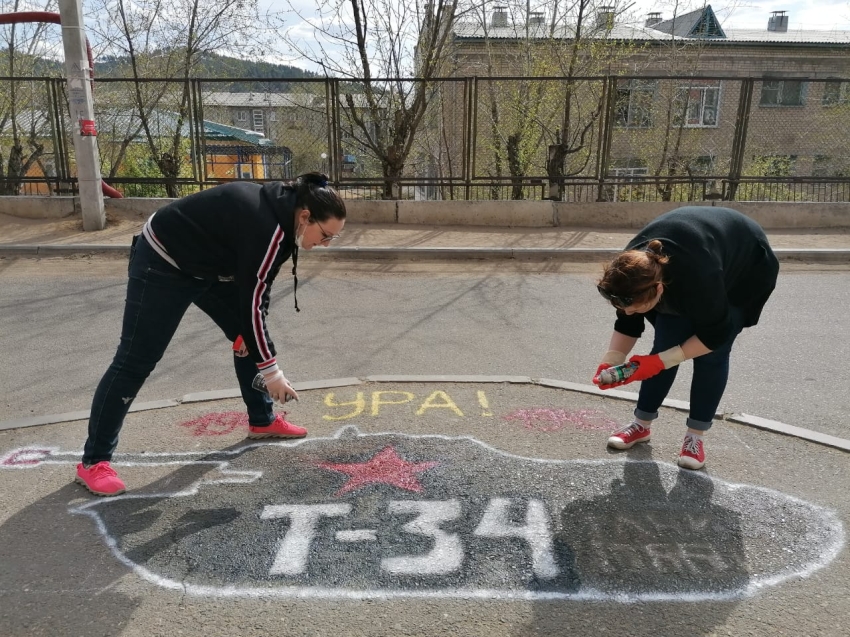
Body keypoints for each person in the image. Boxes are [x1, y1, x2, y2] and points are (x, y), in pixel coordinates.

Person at [75, 173, 346, 496]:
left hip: (208, 265)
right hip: (163, 261)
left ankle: (261, 419)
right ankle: (94, 461)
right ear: (306, 216)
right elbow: (252, 301)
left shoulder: (287, 226)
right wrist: (272, 372)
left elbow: (259, 292)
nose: (325, 244)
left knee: (248, 334)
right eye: (326, 235)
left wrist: (259, 349)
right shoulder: (269, 227)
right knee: (136, 359)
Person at [592, 206, 779, 470]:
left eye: (635, 307)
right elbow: (627, 320)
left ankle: (695, 436)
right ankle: (641, 424)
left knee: (712, 355)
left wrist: (656, 363)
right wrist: (611, 360)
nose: (628, 312)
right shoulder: (633, 269)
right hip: (694, 258)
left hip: (745, 268)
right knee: (665, 344)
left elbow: (715, 334)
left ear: (659, 290)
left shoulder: (698, 277)